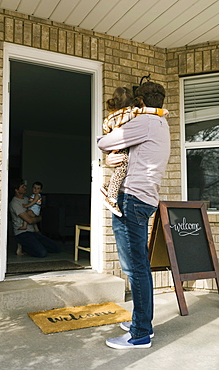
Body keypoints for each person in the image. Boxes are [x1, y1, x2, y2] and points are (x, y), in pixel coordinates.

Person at [97, 81, 170, 349]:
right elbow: (127, 153)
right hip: (145, 199)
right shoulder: (161, 124)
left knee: (135, 268)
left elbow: (105, 141)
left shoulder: (145, 122)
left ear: (140, 104)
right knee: (138, 267)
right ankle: (141, 321)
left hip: (132, 199)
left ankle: (140, 333)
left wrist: (103, 149)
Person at [101, 86, 168, 217]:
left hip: (134, 195)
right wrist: (161, 112)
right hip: (142, 196)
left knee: (120, 169)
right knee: (122, 169)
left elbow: (104, 140)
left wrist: (111, 147)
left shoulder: (111, 117)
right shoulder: (136, 114)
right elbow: (148, 112)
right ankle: (111, 197)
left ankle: (109, 189)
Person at [9, 179, 61, 257]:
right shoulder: (15, 203)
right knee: (42, 253)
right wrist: (38, 218)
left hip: (33, 232)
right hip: (22, 234)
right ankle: (24, 247)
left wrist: (38, 218)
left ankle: (35, 245)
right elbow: (29, 221)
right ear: (17, 190)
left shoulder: (27, 199)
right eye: (23, 187)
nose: (25, 188)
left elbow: (38, 214)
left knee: (56, 248)